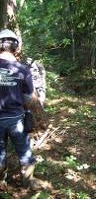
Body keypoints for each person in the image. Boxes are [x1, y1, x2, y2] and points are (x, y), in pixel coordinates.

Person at [0, 29, 46, 189]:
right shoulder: (22, 70)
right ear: (16, 47)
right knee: (25, 152)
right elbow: (29, 99)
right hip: (16, 120)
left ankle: (1, 182)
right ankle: (29, 182)